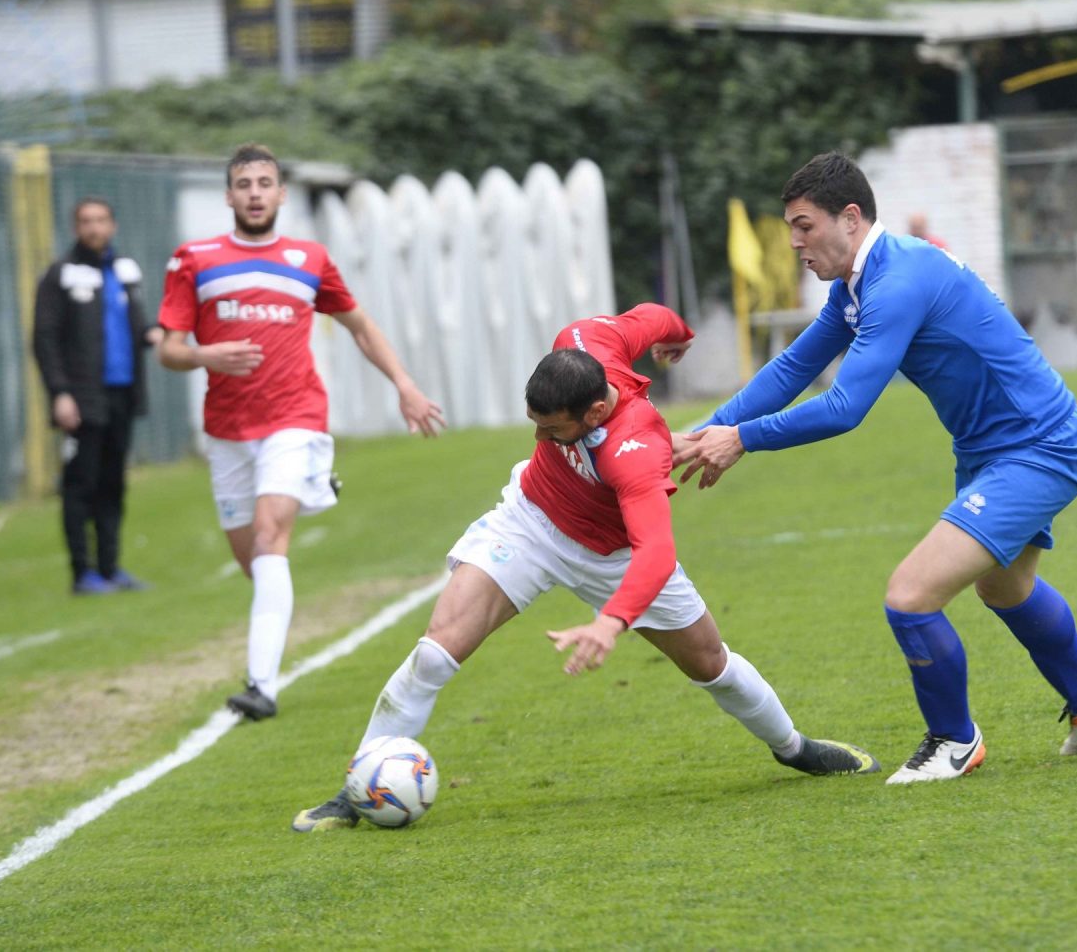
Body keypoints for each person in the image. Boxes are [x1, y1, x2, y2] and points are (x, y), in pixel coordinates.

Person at [292, 303, 879, 832]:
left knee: (711, 663)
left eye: (553, 430)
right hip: (529, 522)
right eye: (535, 423)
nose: (540, 435)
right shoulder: (583, 339)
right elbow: (652, 316)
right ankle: (355, 792)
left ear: (597, 410)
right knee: (434, 652)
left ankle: (794, 748)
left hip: (613, 557)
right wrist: (678, 335)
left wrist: (610, 623)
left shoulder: (635, 450)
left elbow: (656, 552)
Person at [676, 151, 1077, 784]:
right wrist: (704, 434)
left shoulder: (896, 282)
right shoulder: (861, 283)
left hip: (1037, 447)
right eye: (791, 228)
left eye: (805, 226)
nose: (795, 243)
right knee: (1003, 587)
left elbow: (844, 407)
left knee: (911, 598)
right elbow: (794, 367)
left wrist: (743, 439)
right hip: (991, 450)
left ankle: (954, 740)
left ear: (850, 218)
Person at [158, 143, 445, 722]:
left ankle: (260, 687)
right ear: (229, 195)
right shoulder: (194, 259)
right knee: (255, 562)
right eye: (244, 184)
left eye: (265, 183)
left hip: (294, 417)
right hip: (227, 430)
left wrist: (404, 385)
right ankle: (314, 486)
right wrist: (207, 355)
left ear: (281, 194)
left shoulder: (308, 259)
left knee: (270, 539)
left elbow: (359, 325)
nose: (255, 193)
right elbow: (169, 350)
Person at [33, 197, 162, 595]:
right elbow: (44, 338)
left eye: (101, 220)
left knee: (112, 484)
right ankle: (82, 573)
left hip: (122, 393)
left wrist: (154, 334)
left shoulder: (125, 271)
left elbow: (135, 326)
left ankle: (110, 567)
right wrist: (60, 392)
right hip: (82, 398)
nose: (94, 228)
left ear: (113, 225)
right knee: (81, 484)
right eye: (86, 221)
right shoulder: (61, 275)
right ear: (76, 228)